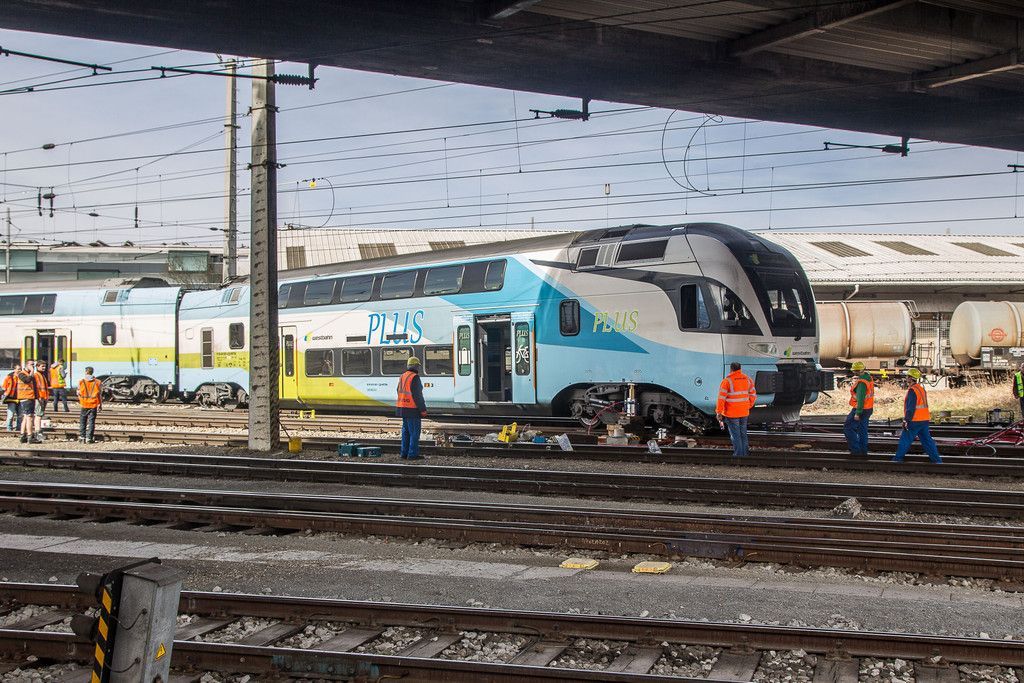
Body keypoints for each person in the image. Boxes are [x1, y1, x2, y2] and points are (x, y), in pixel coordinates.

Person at [892, 368, 942, 464]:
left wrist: (906, 420)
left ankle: (897, 460)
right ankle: (937, 461)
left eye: (907, 376)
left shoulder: (912, 390)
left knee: (905, 440)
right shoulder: (921, 389)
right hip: (924, 419)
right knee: (927, 441)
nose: (906, 378)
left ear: (911, 378)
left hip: (915, 420)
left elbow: (910, 408)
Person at [716, 361, 756, 457]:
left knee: (735, 435)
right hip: (744, 412)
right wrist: (748, 405)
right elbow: (753, 395)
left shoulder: (727, 381)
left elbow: (721, 399)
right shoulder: (748, 379)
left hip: (732, 413)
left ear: (731, 369)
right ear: (740, 368)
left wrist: (718, 412)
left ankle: (739, 455)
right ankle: (745, 453)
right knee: (743, 433)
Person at [396, 356, 427, 461]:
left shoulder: (402, 376)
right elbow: (418, 396)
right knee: (414, 432)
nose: (418, 368)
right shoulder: (415, 377)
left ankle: (404, 453)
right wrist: (423, 410)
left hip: (402, 408)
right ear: (415, 366)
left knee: (406, 432)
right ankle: (412, 454)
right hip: (412, 409)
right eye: (418, 366)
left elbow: (398, 390)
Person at [843, 361, 874, 456]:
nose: (853, 373)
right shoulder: (868, 378)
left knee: (848, 428)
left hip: (861, 409)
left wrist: (858, 412)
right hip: (869, 408)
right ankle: (863, 451)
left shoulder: (861, 383)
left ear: (857, 371)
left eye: (854, 371)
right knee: (862, 431)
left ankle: (856, 451)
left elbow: (860, 398)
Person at [15, 361, 41, 444]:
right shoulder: (22, 374)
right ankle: (30, 436)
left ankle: (23, 436)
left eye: (33, 365)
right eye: (31, 365)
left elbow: (34, 387)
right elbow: (27, 380)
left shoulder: (29, 374)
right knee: (29, 417)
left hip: (30, 397)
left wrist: (37, 397)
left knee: (26, 417)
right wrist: (32, 371)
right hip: (26, 398)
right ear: (27, 365)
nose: (33, 366)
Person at [78, 367, 102, 443]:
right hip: (93, 404)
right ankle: (89, 438)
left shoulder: (81, 382)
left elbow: (78, 393)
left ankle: (82, 437)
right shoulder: (98, 382)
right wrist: (100, 404)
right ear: (92, 372)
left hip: (84, 404)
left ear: (86, 372)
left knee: (83, 421)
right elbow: (99, 395)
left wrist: (81, 401)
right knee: (91, 422)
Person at [33, 361, 50, 438]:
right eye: (42, 366)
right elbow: (37, 387)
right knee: (38, 415)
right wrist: (39, 397)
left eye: (45, 366)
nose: (44, 368)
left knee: (40, 414)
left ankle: (38, 431)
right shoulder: (37, 375)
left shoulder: (41, 375)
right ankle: (38, 432)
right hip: (40, 398)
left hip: (43, 397)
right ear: (37, 366)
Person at [3, 364, 21, 433]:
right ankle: (9, 428)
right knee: (10, 415)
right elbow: (4, 387)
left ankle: (18, 428)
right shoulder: (9, 377)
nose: (19, 370)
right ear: (14, 369)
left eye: (20, 369)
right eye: (18, 369)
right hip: (11, 398)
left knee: (20, 415)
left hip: (20, 398)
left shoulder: (22, 377)